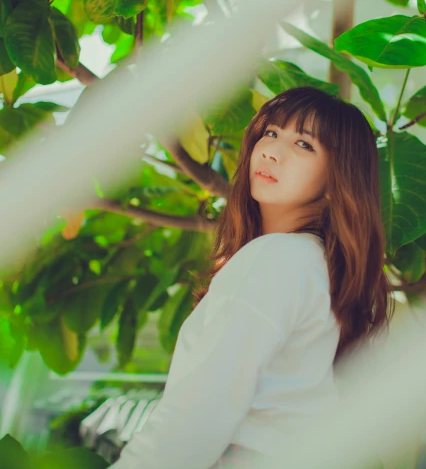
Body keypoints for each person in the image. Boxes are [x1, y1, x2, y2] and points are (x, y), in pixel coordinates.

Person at [108, 86, 395, 468]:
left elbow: (200, 410)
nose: (272, 150)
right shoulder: (322, 271)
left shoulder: (278, 259)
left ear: (337, 179)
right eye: (271, 132)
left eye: (304, 145)